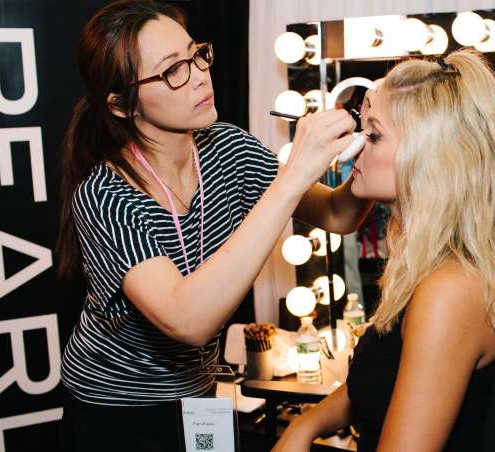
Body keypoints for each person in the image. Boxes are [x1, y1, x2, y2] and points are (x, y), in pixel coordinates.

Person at [56, 1, 372, 450]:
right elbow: (190, 321)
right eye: (173, 70)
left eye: (197, 54)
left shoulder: (227, 148)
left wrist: (378, 145)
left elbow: (339, 214)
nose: (200, 75)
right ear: (122, 105)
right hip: (118, 408)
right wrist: (293, 177)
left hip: (199, 389)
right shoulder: (105, 196)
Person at [274, 50, 495, 452]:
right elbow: (380, 379)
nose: (355, 148)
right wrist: (306, 424)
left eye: (374, 135)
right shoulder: (428, 267)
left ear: (431, 156)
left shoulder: (449, 291)